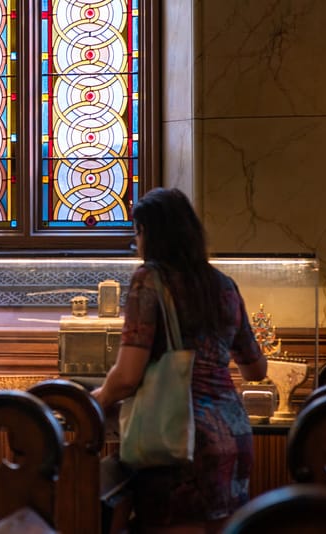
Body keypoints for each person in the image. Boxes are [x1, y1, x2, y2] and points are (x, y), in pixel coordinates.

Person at [91, 187, 267, 534]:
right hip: (234, 436)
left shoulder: (149, 280)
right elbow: (256, 370)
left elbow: (127, 376)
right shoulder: (225, 285)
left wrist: (96, 400)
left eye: (137, 233)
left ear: (148, 232)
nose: (136, 243)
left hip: (179, 440)